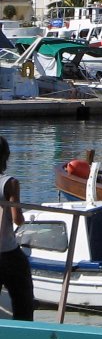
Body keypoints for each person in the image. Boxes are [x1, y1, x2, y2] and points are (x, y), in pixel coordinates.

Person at [0, 136, 33, 320]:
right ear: (6, 157)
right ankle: (25, 338)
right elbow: (17, 219)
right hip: (7, 252)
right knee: (23, 302)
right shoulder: (10, 183)